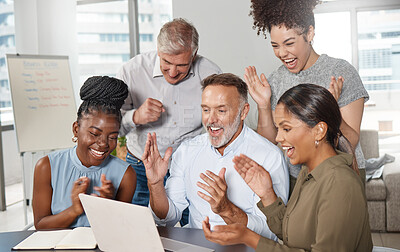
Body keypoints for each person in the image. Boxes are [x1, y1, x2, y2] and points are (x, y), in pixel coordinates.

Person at [202, 84, 373, 251]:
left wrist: (249, 237)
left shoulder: (339, 183)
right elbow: (292, 233)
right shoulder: (308, 172)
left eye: (286, 129)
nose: (278, 137)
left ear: (319, 131)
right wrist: (267, 195)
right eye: (278, 129)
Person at [142, 73, 289, 239]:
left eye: (221, 110)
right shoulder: (187, 151)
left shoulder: (269, 156)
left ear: (243, 112)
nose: (211, 120)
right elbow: (166, 219)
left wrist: (226, 209)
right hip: (196, 246)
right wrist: (155, 184)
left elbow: (271, 232)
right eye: (206, 110)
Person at [244, 0, 369, 192]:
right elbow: (271, 143)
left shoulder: (340, 72)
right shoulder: (275, 80)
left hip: (341, 174)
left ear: (309, 33)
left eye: (289, 43)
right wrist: (263, 104)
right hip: (296, 177)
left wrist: (329, 110)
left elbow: (350, 141)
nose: (282, 53)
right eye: (275, 45)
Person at [117, 18, 222, 211]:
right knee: (140, 228)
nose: (172, 72)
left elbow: (220, 125)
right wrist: (135, 117)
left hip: (189, 169)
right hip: (141, 168)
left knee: (192, 231)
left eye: (181, 65)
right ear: (158, 50)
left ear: (194, 54)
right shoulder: (132, 71)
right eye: (166, 62)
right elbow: (113, 130)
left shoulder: (211, 75)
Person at [32, 76, 136, 230]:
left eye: (112, 137)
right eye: (94, 134)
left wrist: (107, 207)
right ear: (76, 129)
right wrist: (74, 210)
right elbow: (41, 225)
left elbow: (120, 230)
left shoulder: (126, 174)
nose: (103, 144)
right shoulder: (46, 167)